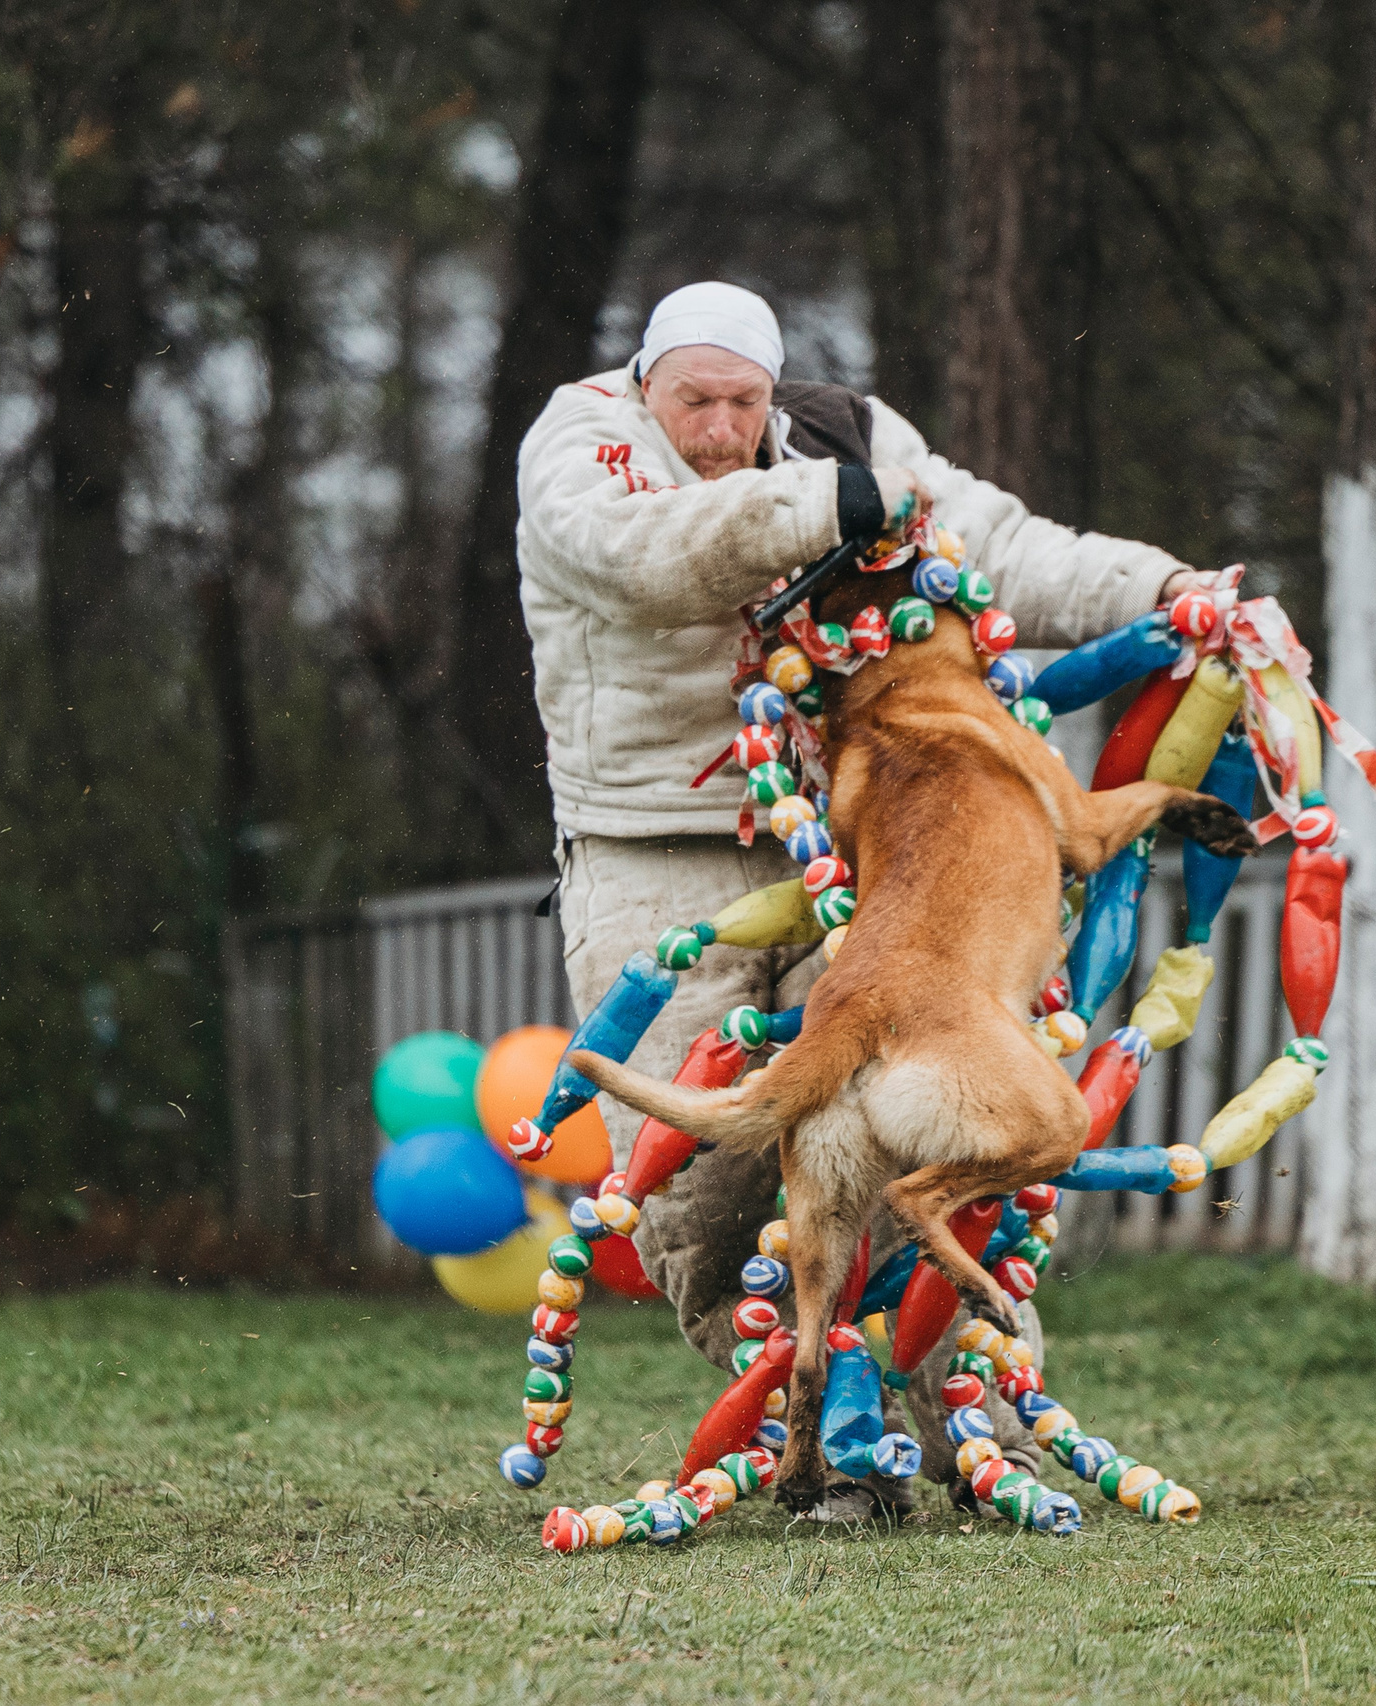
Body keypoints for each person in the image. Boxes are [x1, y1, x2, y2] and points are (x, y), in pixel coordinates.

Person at [516, 281, 1203, 1517]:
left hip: (854, 842)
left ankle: (979, 1421)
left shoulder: (843, 434)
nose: (721, 427)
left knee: (928, 1131)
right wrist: (825, 505)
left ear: (773, 391)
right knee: (703, 1199)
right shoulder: (582, 442)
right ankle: (837, 1437)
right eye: (695, 400)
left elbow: (998, 546)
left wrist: (1171, 589)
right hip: (650, 850)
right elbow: (638, 560)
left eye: (744, 401)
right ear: (644, 381)